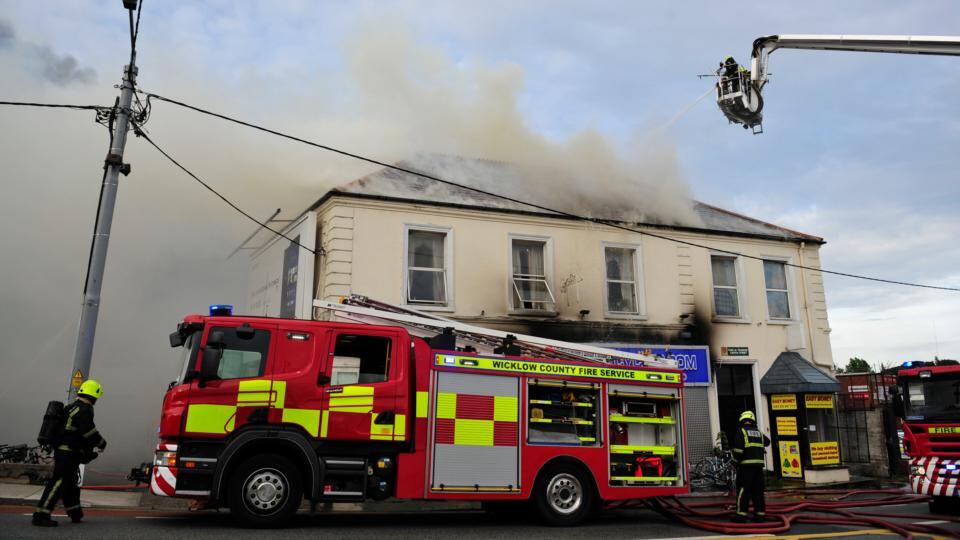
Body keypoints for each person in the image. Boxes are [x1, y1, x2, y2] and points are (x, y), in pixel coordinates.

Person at [32, 380, 107, 527]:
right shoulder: (83, 410)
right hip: (67, 454)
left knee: (71, 483)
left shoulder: (70, 408)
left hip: (66, 452)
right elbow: (89, 432)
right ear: (94, 396)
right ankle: (41, 515)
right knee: (58, 482)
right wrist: (101, 443)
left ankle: (75, 513)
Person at [731, 410, 770, 523]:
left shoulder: (741, 431)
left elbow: (738, 451)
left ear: (742, 420)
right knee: (758, 491)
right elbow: (767, 442)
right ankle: (760, 515)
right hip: (758, 468)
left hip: (746, 468)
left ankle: (741, 516)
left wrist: (734, 463)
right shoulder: (758, 432)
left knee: (743, 490)